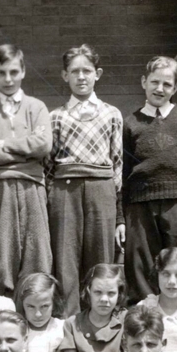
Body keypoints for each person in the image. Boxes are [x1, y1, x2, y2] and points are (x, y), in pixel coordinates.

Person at [123, 56, 177, 304]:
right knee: (141, 263)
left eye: (166, 84)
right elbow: (123, 173)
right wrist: (122, 217)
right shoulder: (130, 122)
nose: (159, 89)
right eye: (154, 82)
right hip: (140, 204)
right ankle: (145, 316)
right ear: (144, 82)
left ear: (175, 88)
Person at [48, 44, 124, 314]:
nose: (81, 77)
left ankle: (102, 319)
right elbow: (48, 162)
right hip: (64, 190)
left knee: (101, 258)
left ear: (97, 74)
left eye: (87, 71)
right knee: (66, 259)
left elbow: (117, 164)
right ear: (64, 75)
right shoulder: (55, 116)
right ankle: (69, 321)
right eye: (74, 71)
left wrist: (119, 216)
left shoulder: (112, 114)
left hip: (101, 189)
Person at [0, 44, 53, 296]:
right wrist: (24, 148)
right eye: (1, 73)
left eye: (13, 72)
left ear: (23, 72)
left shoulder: (36, 107)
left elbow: (42, 145)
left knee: (37, 253)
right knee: (0, 255)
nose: (8, 79)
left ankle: (37, 315)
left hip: (32, 186)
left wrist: (4, 145)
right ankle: (2, 316)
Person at [15, 273, 65, 352]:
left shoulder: (60, 328)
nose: (38, 314)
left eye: (44, 306)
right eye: (31, 307)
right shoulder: (18, 329)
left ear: (54, 303)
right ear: (22, 305)